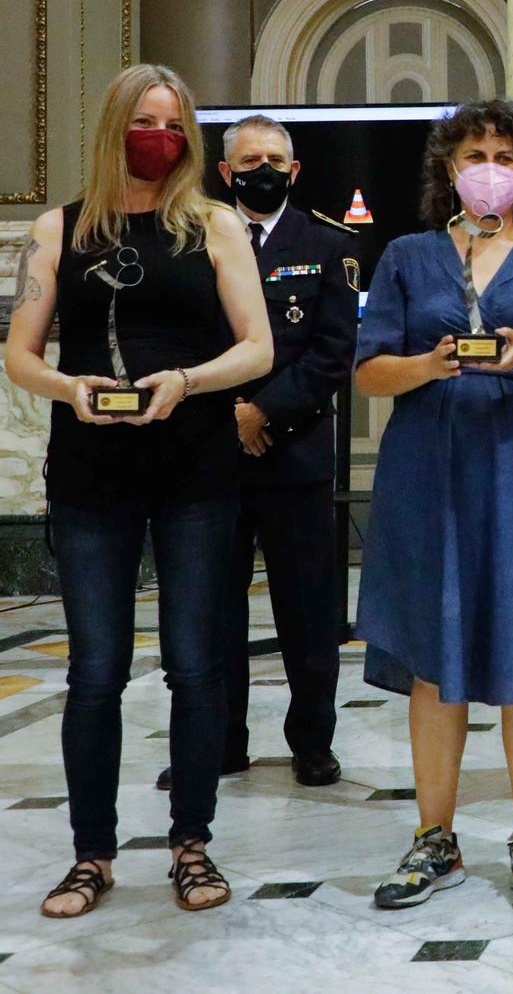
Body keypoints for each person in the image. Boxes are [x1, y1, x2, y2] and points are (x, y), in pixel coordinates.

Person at [5, 65, 273, 918]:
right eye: (146, 120)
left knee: (196, 667)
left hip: (195, 471)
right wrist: (70, 389)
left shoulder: (217, 226)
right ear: (116, 124)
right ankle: (92, 854)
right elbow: (19, 352)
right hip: (91, 476)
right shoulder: (59, 230)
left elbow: (258, 349)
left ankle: (191, 844)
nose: (160, 135)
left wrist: (188, 381)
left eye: (174, 122)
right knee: (95, 671)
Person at [353, 100, 513, 912]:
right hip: (430, 470)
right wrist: (427, 365)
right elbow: (369, 371)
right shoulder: (404, 255)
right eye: (473, 153)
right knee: (437, 657)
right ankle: (436, 838)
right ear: (448, 168)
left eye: (503, 153)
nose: (487, 167)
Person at [155, 115, 355, 796]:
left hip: (295, 458)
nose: (261, 168)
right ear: (224, 171)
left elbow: (333, 353)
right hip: (209, 456)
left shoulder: (327, 244)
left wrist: (261, 410)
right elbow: (178, 344)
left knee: (308, 610)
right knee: (212, 611)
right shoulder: (191, 243)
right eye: (249, 158)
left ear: (294, 172)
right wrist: (229, 415)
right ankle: (222, 741)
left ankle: (314, 744)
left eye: (274, 158)